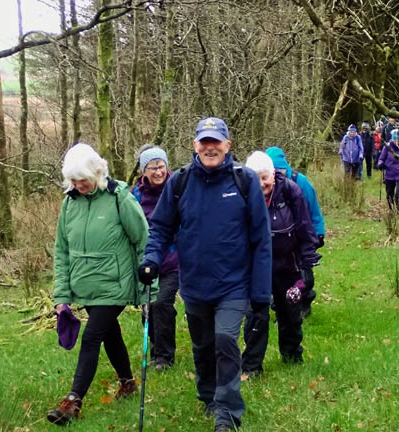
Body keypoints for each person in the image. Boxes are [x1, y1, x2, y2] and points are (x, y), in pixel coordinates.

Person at [138, 117, 272, 432]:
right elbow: (160, 229)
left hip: (233, 284)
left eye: (216, 141)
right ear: (195, 145)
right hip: (195, 285)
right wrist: (151, 260)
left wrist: (261, 294)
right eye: (204, 141)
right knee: (203, 346)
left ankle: (227, 412)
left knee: (225, 339)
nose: (210, 147)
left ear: (227, 145)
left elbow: (261, 239)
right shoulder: (180, 182)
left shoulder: (246, 182)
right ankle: (208, 396)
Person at [48, 143, 152, 425]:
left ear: (97, 172)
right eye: (74, 180)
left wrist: (148, 288)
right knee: (109, 333)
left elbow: (143, 240)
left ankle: (73, 400)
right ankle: (128, 383)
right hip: (86, 286)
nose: (79, 185)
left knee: (92, 336)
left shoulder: (119, 197)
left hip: (115, 283)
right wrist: (62, 296)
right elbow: (62, 251)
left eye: (83, 179)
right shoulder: (70, 203)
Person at [241, 151, 320, 378]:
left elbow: (305, 227)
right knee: (256, 315)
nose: (261, 183)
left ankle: (292, 355)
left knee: (290, 313)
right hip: (256, 266)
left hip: (288, 263)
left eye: (264, 177)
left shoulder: (291, 191)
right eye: (255, 178)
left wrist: (307, 264)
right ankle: (252, 366)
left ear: (273, 175)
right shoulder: (242, 196)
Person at [132, 146, 180, 371]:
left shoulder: (178, 187)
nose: (158, 172)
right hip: (147, 260)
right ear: (144, 171)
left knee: (162, 303)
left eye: (161, 166)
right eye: (153, 168)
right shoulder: (136, 195)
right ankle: (154, 349)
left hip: (174, 259)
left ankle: (164, 356)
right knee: (148, 307)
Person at [265, 146, 325, 317]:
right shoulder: (262, 185)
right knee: (276, 277)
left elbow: (314, 209)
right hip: (277, 241)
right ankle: (281, 308)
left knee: (304, 276)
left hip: (302, 236)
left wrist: (318, 233)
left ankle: (304, 302)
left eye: (281, 170)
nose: (279, 174)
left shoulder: (301, 182)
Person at [376, 129, 399, 213]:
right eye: (395, 139)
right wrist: (380, 164)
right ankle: (392, 209)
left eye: (398, 140)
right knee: (389, 194)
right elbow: (381, 159)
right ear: (392, 139)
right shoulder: (387, 147)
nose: (396, 142)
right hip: (389, 173)